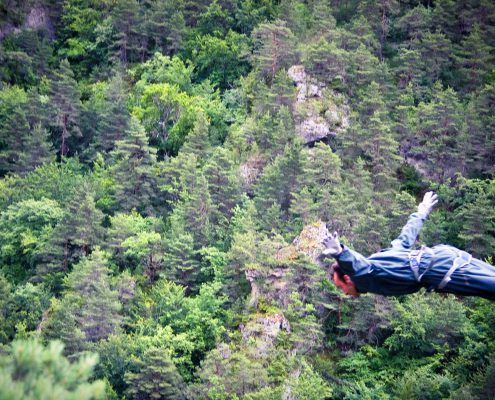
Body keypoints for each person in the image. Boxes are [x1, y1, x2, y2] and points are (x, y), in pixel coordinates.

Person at [320, 192, 495, 301]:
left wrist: (341, 253)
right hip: (444, 255)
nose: (343, 292)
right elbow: (405, 237)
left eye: (340, 287)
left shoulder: (365, 277)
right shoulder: (385, 259)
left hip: (441, 270)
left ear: (348, 279)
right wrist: (421, 213)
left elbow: (359, 267)